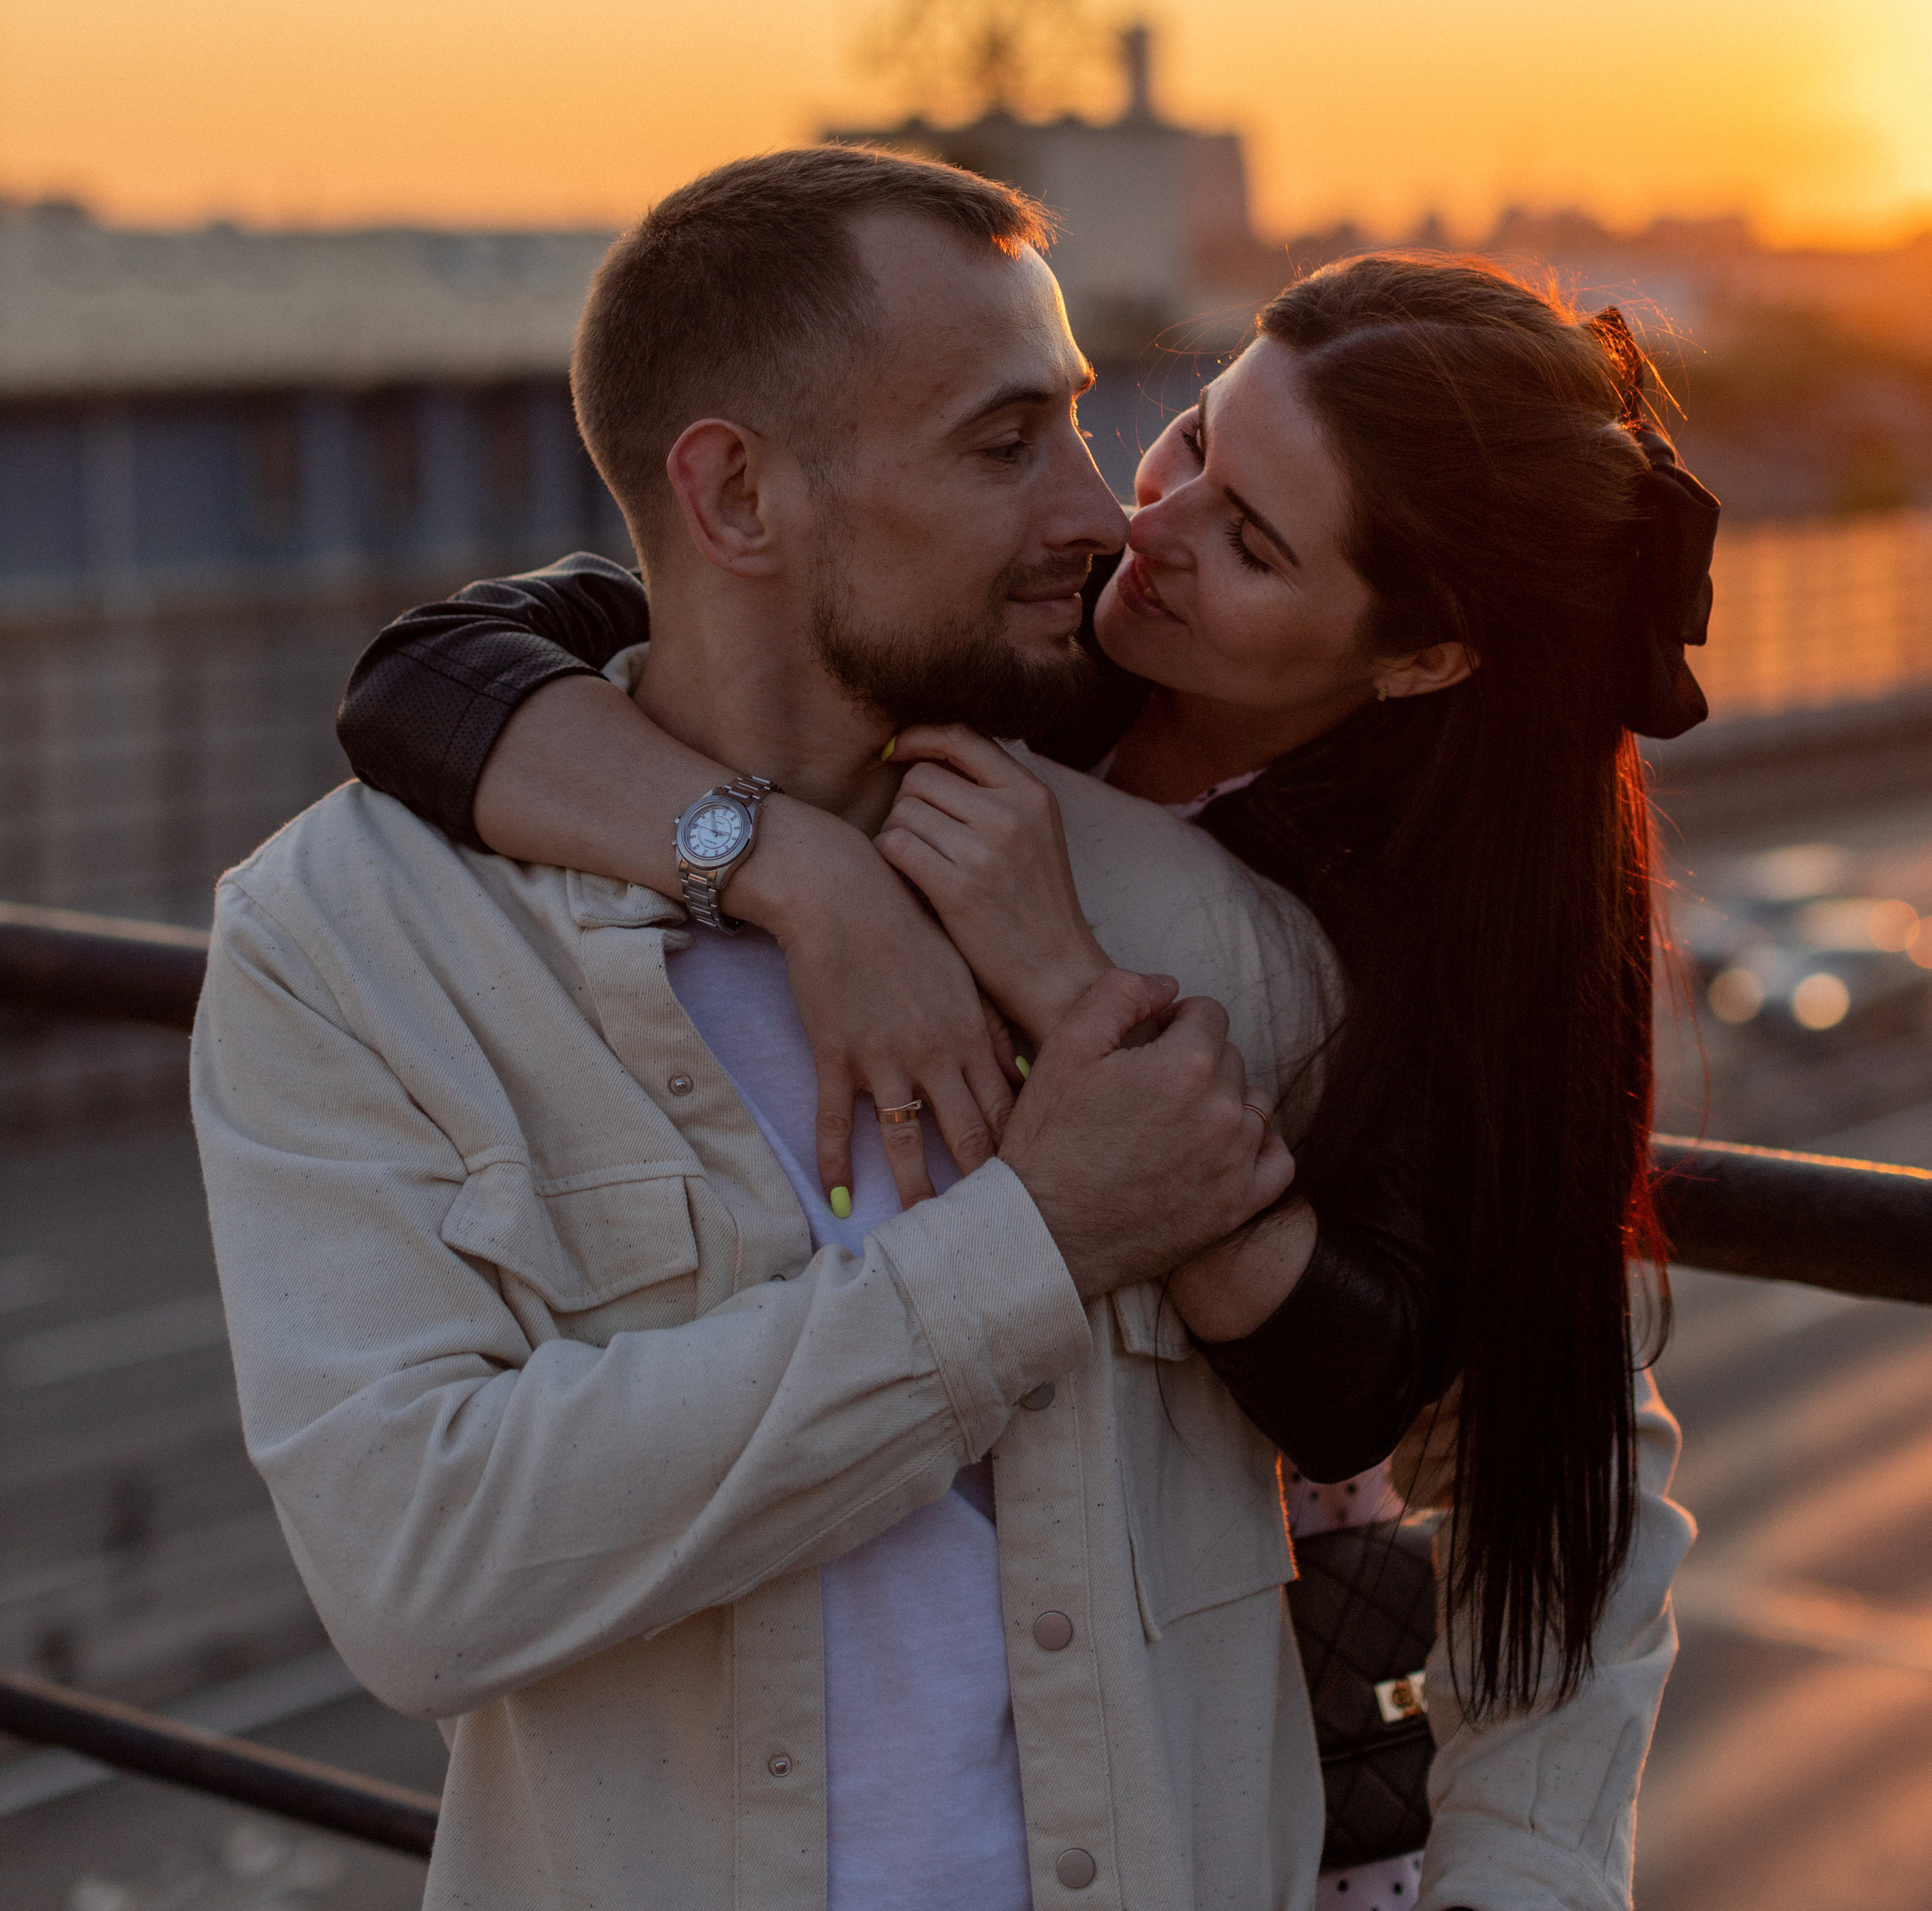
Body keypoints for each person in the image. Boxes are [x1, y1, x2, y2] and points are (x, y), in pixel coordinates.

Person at [325, 150, 1699, 1911]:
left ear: (1419, 658)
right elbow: (438, 676)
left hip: (1221, 1737)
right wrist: (790, 871)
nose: (1146, 528)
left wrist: (1070, 996)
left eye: (1251, 541)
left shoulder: (1401, 938)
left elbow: (1394, 1393)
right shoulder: (1009, 649)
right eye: (1193, 437)